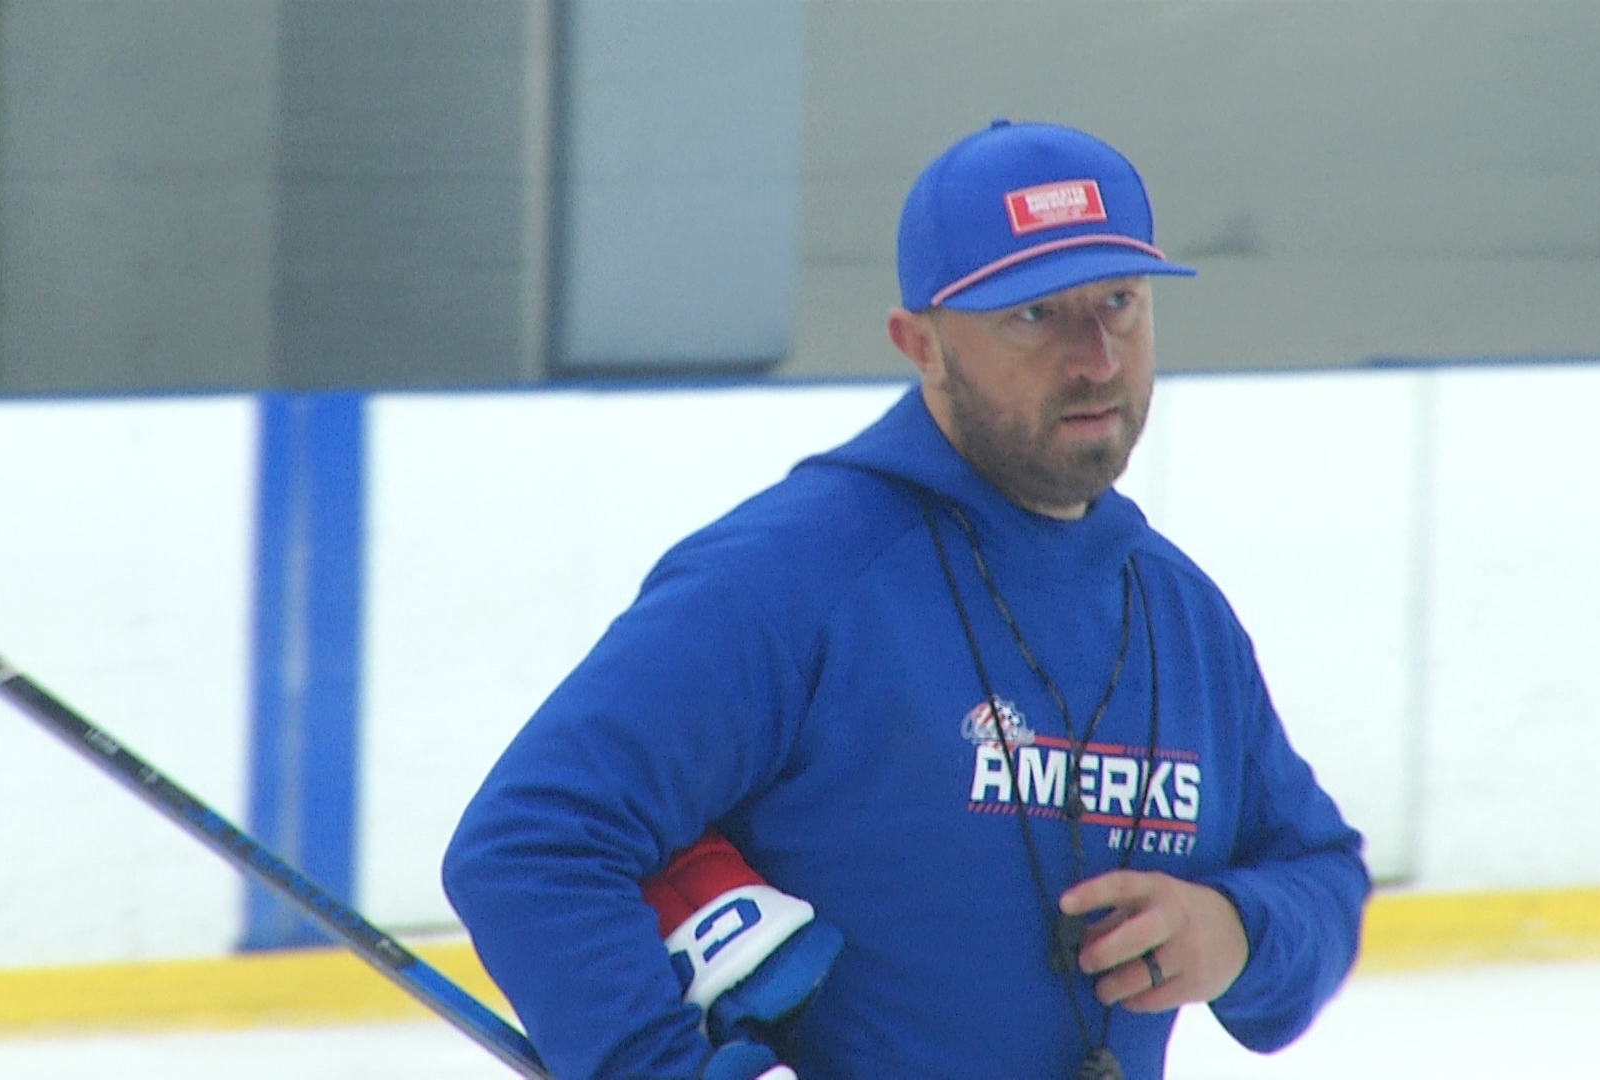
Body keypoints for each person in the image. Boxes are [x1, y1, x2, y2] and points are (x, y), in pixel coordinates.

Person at [444, 119, 1370, 1080]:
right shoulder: (791, 576)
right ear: (919, 344)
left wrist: (1234, 931)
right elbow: (532, 845)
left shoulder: (1181, 617)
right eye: (1033, 316)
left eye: (1120, 303)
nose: (1095, 357)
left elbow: (1320, 870)